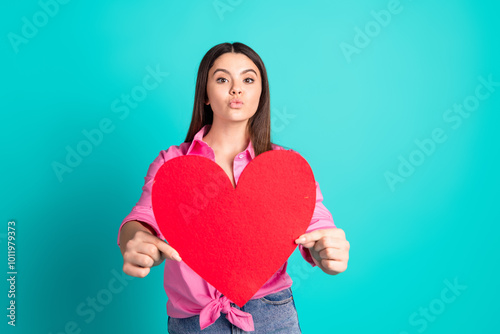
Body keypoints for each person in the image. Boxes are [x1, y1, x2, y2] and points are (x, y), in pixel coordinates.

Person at [117, 42, 350, 333]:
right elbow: (142, 219)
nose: (236, 89)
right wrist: (136, 240)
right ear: (205, 94)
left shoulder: (284, 168)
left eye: (248, 79)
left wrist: (326, 252)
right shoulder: (173, 164)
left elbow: (316, 224)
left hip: (271, 315)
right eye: (222, 79)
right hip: (194, 321)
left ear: (261, 93)